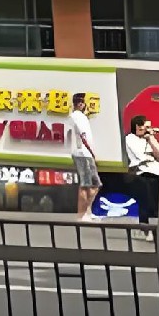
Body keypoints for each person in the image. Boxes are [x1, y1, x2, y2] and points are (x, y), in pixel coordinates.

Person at [124, 114, 159, 223]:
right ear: (138, 126)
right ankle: (144, 226)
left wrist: (151, 138)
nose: (148, 129)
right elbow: (140, 155)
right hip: (141, 173)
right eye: (146, 126)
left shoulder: (149, 139)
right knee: (145, 202)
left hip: (155, 172)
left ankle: (155, 227)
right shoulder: (130, 138)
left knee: (156, 203)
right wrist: (150, 156)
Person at [69, 92, 101, 221]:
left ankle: (88, 211)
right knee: (85, 184)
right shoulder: (76, 116)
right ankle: (82, 214)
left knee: (95, 184)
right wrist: (92, 153)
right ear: (80, 104)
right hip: (82, 153)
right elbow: (83, 137)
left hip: (86, 153)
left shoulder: (81, 117)